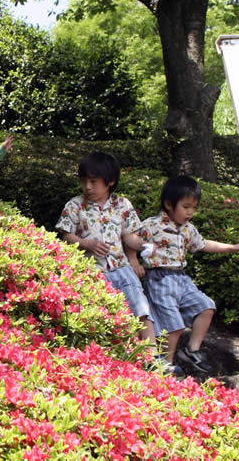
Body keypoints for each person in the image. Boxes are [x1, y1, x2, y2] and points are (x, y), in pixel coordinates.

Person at [137, 175, 239, 373]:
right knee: (172, 325)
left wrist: (232, 247)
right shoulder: (151, 226)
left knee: (206, 307)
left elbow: (204, 244)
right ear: (169, 204)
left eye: (193, 207)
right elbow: (131, 240)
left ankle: (192, 350)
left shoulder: (188, 230)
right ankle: (166, 365)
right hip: (159, 279)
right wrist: (133, 261)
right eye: (186, 206)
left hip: (182, 279)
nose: (190, 212)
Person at [55, 152, 159, 364]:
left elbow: (129, 236)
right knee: (111, 315)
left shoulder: (123, 205)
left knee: (141, 309)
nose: (87, 187)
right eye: (84, 181)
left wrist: (142, 248)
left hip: (121, 267)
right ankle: (125, 361)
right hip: (93, 270)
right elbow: (66, 236)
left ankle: (153, 359)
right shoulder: (74, 205)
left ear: (110, 181)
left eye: (93, 182)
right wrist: (87, 243)